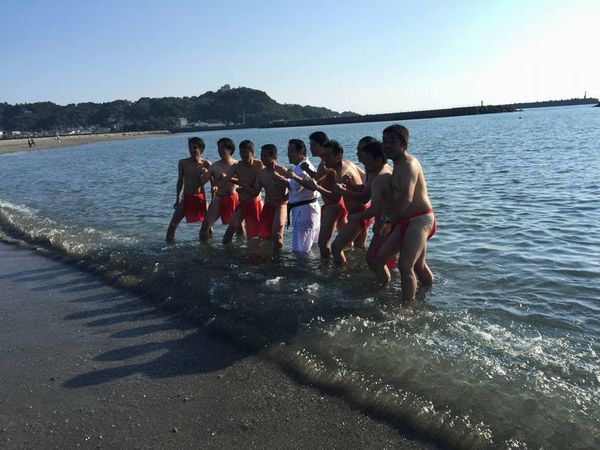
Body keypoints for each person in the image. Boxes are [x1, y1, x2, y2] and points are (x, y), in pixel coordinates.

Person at [374, 124, 436, 302]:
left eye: (392, 141)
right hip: (404, 220)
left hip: (420, 220)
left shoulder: (408, 165)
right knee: (381, 259)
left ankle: (407, 308)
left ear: (404, 144)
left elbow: (406, 199)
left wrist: (385, 220)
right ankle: (422, 292)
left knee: (406, 265)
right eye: (384, 141)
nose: (387, 145)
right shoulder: (397, 165)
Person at [291, 140, 363, 258]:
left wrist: (316, 187)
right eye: (323, 155)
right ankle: (351, 267)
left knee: (331, 246)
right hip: (358, 212)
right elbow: (366, 181)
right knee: (357, 249)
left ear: (338, 156)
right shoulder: (348, 164)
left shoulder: (341, 173)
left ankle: (330, 268)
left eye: (328, 156)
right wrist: (353, 186)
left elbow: (335, 198)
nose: (324, 159)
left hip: (356, 213)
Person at [331, 137, 388, 264]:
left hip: (372, 215)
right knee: (363, 250)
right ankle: (359, 271)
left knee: (337, 247)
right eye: (358, 150)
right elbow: (366, 188)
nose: (358, 153)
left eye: (361, 150)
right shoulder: (370, 169)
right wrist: (350, 185)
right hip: (375, 216)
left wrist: (343, 191)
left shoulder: (377, 172)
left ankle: (342, 273)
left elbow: (365, 197)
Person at [166, 137, 212, 241]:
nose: (192, 150)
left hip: (201, 198)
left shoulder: (206, 164)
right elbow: (180, 181)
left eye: (195, 147)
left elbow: (214, 183)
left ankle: (208, 245)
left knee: (208, 227)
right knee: (173, 224)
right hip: (186, 197)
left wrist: (206, 175)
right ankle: (169, 245)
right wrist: (177, 199)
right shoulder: (183, 162)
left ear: (201, 149)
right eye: (190, 147)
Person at [247, 144, 289, 255]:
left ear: (274, 156)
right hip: (268, 206)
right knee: (264, 237)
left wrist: (284, 199)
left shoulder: (283, 171)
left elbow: (294, 189)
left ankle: (279, 258)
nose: (262, 158)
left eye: (265, 156)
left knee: (277, 235)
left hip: (281, 206)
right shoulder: (262, 174)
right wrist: (244, 187)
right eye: (261, 155)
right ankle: (269, 257)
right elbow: (255, 192)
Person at [221, 140, 264, 244]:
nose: (243, 155)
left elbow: (256, 188)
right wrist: (218, 186)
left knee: (256, 238)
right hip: (242, 204)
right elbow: (226, 179)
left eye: (246, 152)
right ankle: (228, 252)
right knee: (229, 232)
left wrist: (244, 187)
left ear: (252, 152)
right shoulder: (237, 166)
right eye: (241, 153)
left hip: (255, 204)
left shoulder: (258, 165)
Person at [199, 138, 238, 241]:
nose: (220, 151)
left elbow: (244, 182)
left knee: (240, 228)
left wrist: (229, 178)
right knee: (204, 228)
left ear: (230, 149)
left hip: (234, 199)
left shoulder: (237, 164)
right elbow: (202, 182)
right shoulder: (214, 166)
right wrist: (202, 171)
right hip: (218, 199)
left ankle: (240, 247)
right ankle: (205, 248)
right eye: (219, 148)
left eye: (222, 148)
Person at [285, 139, 320, 253]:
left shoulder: (302, 167)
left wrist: (279, 178)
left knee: (300, 250)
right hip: (310, 208)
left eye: (291, 151)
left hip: (304, 211)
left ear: (301, 152)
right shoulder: (304, 166)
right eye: (288, 151)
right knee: (313, 247)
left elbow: (295, 187)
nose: (288, 154)